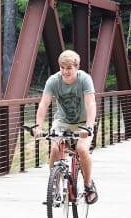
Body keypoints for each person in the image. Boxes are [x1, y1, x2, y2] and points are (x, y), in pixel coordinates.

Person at [33, 49, 98, 204]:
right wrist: (38, 126)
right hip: (62, 122)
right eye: (62, 67)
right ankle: (54, 187)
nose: (65, 71)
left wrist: (88, 126)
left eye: (69, 68)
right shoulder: (54, 81)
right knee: (55, 149)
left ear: (77, 67)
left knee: (82, 150)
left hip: (83, 123)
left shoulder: (84, 79)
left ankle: (88, 186)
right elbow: (44, 104)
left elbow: (91, 103)